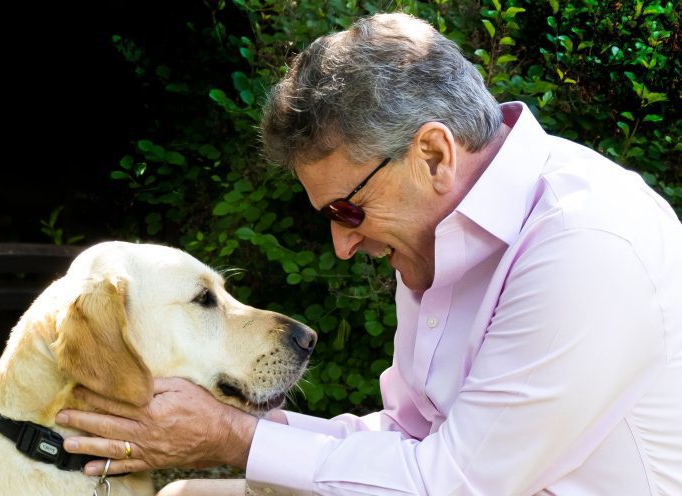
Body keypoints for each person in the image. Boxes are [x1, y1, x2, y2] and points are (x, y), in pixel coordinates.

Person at [55, 12, 682, 495]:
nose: (343, 243)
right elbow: (407, 442)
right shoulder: (443, 235)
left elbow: (450, 483)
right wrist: (222, 433)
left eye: (347, 210)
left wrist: (230, 436)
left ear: (433, 156)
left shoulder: (586, 244)